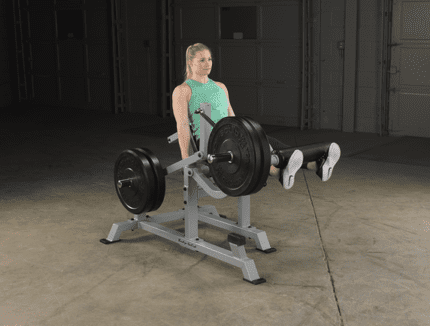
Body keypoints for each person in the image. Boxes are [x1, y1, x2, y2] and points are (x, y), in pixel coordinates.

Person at [172, 43, 341, 190]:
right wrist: (186, 159)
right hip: (213, 145)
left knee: (269, 143)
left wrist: (245, 132)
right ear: (190, 62)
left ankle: (315, 165)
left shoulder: (220, 86)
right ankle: (280, 171)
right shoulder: (183, 90)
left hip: (233, 136)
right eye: (202, 60)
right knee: (262, 150)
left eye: (209, 59)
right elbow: (182, 125)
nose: (207, 64)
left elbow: (232, 115)